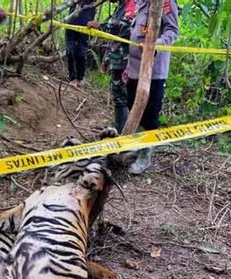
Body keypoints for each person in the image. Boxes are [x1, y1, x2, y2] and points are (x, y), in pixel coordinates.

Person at [125, 0, 179, 174]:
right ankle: (139, 144)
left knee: (150, 112)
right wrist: (127, 66)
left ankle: (145, 155)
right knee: (132, 104)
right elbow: (135, 33)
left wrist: (156, 45)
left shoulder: (165, 3)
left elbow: (173, 31)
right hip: (134, 67)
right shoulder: (140, 3)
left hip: (154, 69)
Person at [90, 0, 136, 134]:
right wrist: (107, 59)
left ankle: (128, 133)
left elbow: (126, 28)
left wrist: (101, 25)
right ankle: (119, 130)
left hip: (128, 60)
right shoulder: (121, 6)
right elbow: (113, 39)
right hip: (116, 59)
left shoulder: (133, 4)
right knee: (118, 96)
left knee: (127, 96)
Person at [65, 0, 97, 87]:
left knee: (81, 53)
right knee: (71, 51)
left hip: (86, 25)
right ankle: (72, 78)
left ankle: (80, 77)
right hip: (71, 23)